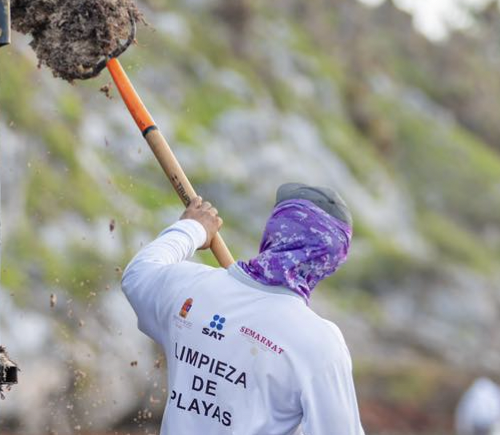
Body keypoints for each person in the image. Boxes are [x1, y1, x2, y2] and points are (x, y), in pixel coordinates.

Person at [122, 182, 366, 434]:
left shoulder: (191, 286)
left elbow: (138, 273)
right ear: (330, 261)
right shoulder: (320, 344)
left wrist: (192, 228)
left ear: (274, 231)